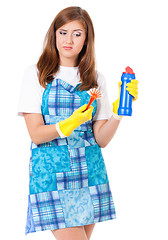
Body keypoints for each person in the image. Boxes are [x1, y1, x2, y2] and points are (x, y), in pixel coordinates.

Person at [17, 6, 138, 240]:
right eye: (63, 32)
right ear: (54, 35)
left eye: (77, 33)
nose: (69, 40)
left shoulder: (95, 78)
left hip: (89, 172)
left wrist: (119, 112)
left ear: (86, 39)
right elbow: (36, 134)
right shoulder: (37, 74)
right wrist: (67, 124)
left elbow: (101, 139)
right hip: (51, 175)